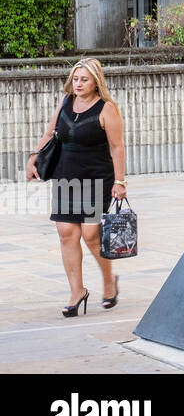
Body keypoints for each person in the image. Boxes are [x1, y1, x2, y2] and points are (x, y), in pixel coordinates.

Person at [25, 58, 127, 317]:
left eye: (84, 79)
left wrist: (120, 181)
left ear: (96, 82)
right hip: (66, 176)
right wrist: (33, 157)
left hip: (96, 177)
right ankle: (77, 291)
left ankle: (108, 282)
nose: (78, 84)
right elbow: (50, 133)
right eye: (76, 79)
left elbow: (117, 147)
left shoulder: (107, 109)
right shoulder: (65, 103)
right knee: (66, 233)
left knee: (91, 236)